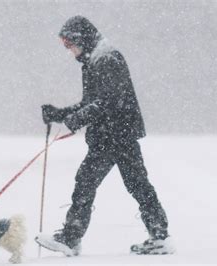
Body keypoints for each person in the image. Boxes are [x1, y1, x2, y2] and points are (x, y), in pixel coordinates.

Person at [34, 16, 175, 256]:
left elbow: (109, 102)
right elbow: (91, 103)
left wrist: (77, 119)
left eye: (70, 44)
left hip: (114, 133)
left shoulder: (107, 58)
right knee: (137, 184)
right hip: (117, 133)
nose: (70, 51)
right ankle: (159, 235)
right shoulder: (95, 59)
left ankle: (71, 237)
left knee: (87, 181)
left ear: (82, 39)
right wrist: (61, 114)